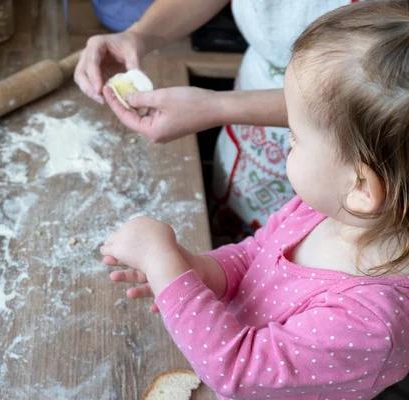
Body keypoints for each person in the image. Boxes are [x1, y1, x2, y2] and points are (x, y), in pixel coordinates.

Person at [100, 1, 409, 398]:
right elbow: (254, 258)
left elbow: (239, 370)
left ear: (362, 188)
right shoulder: (327, 211)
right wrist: (194, 271)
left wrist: (163, 263)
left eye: (295, 136)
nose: (289, 143)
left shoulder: (368, 322)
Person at [75, 0, 362, 230]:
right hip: (249, 112)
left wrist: (216, 107)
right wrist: (138, 34)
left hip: (347, 152)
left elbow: (380, 97)